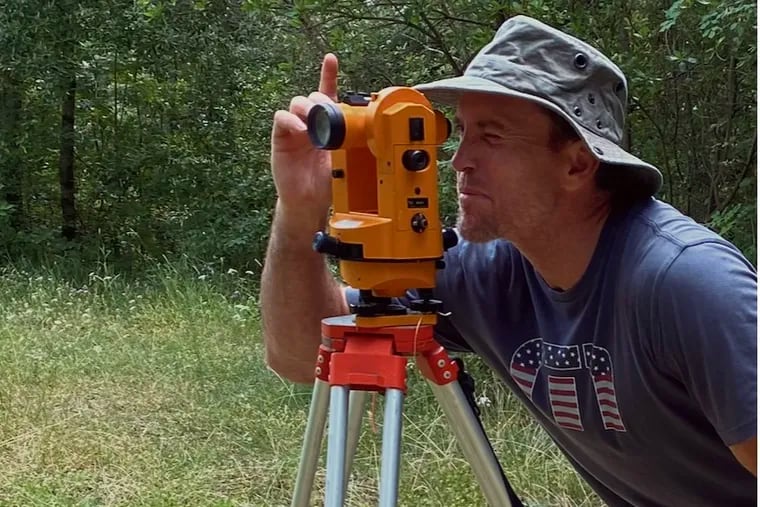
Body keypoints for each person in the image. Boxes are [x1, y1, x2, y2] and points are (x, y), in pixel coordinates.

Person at [261, 15, 757, 507]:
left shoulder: (687, 282)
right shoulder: (485, 269)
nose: (459, 161)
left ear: (577, 163)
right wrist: (300, 212)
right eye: (463, 132)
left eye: (492, 137)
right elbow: (301, 355)